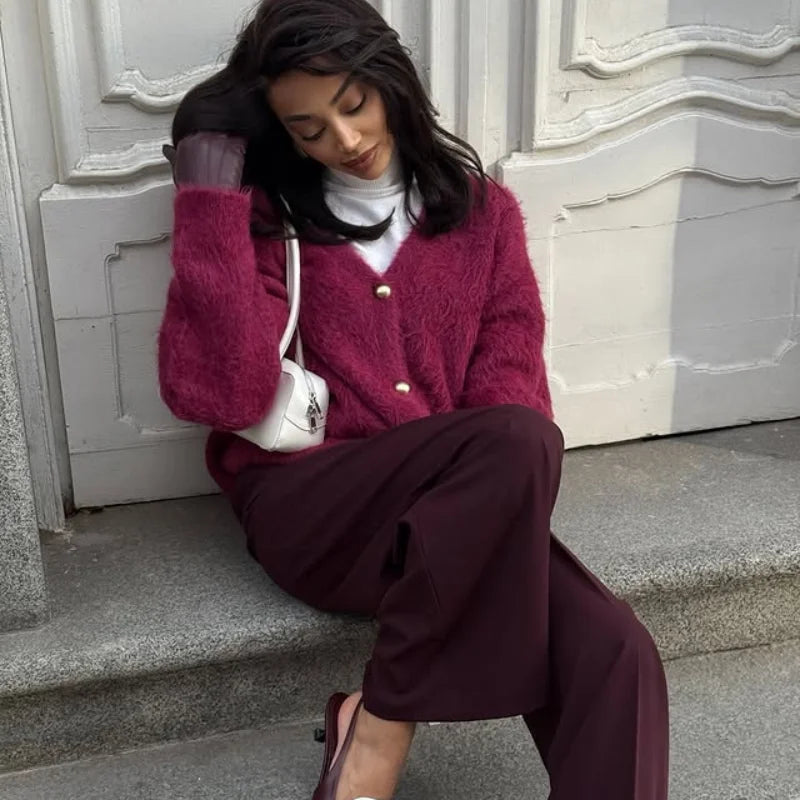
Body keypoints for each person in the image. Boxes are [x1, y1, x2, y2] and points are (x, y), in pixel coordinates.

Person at [158, 1, 670, 798]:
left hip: (446, 526)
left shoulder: (482, 216)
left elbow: (512, 391)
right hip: (314, 511)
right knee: (512, 443)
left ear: (389, 80)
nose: (346, 141)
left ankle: (371, 712)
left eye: (353, 104)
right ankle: (382, 731)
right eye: (308, 128)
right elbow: (216, 393)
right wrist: (208, 195)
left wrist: (477, 511)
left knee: (617, 649)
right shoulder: (264, 221)